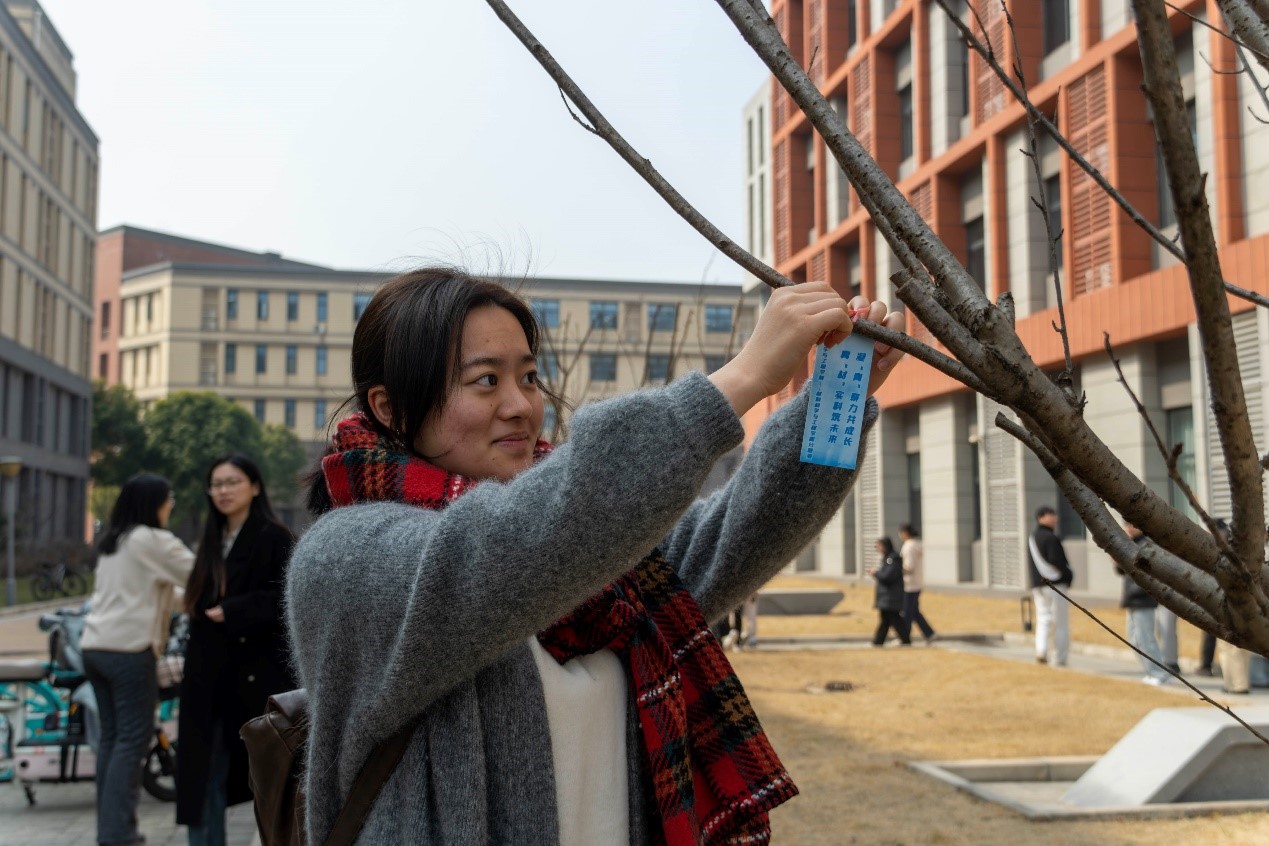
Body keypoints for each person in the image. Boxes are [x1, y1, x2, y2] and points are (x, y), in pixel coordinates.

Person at [285, 269, 905, 844]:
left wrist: (838, 399)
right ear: (389, 408)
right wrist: (743, 377)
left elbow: (730, 539)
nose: (521, 406)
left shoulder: (601, 557)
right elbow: (511, 547)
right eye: (486, 380)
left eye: (529, 377)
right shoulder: (345, 560)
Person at [177, 454, 297, 846]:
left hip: (254, 678)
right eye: (216, 484)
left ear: (255, 486)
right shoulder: (212, 538)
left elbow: (287, 599)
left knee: (270, 782)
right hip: (208, 677)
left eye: (232, 482)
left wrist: (234, 610)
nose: (223, 491)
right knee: (204, 776)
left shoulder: (274, 537)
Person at [82, 474, 195, 846]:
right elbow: (201, 576)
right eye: (169, 498)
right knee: (132, 741)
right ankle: (119, 835)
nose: (171, 504)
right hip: (129, 652)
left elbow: (165, 593)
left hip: (95, 648)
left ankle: (110, 830)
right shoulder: (152, 540)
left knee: (113, 740)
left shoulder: (114, 541)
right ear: (155, 503)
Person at [1119, 523, 1169, 685]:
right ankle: (1150, 671)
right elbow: (1122, 571)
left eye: (1132, 524)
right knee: (1134, 639)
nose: (1129, 528)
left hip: (1143, 599)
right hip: (1133, 599)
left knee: (1146, 638)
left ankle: (1159, 673)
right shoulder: (1130, 544)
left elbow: (1150, 576)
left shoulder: (1146, 546)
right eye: (1126, 524)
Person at [1028, 505, 1073, 666]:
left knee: (1043, 618)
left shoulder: (1032, 538)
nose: (1055, 518)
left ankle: (1041, 650)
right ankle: (1060, 657)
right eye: (1050, 515)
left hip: (1038, 585)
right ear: (1040, 518)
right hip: (1055, 585)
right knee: (1060, 622)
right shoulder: (1051, 538)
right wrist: (1068, 574)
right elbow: (1057, 560)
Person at [897, 523, 936, 644]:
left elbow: (909, 567)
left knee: (907, 612)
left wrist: (896, 571)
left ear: (905, 533)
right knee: (914, 611)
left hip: (909, 584)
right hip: (917, 582)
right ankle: (929, 633)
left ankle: (904, 637)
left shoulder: (908, 546)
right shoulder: (918, 544)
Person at [870, 537, 910, 647]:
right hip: (887, 596)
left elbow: (888, 576)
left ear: (885, 546)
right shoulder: (888, 558)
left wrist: (876, 573)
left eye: (879, 546)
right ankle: (880, 641)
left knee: (892, 619)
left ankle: (879, 641)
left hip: (891, 596)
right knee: (888, 620)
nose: (877, 548)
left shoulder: (893, 559)